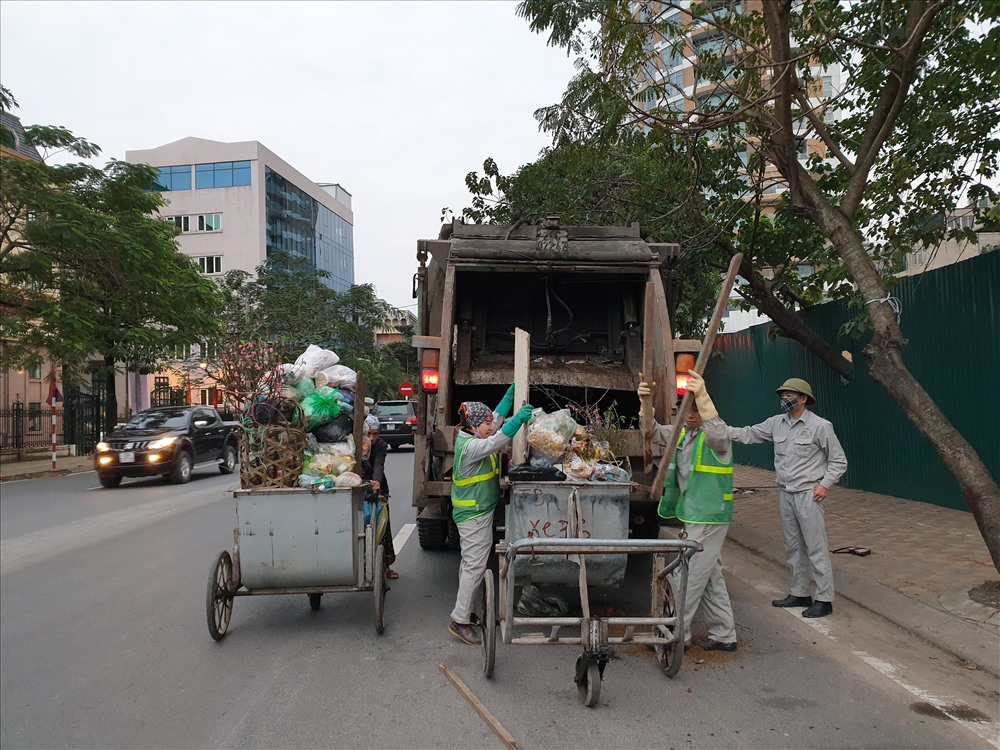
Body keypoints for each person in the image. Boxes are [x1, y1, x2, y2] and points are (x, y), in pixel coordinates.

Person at [727, 378, 847, 619]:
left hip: (809, 494)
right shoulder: (776, 424)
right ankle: (800, 592)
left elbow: (838, 461)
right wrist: (718, 429)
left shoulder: (820, 426)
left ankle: (824, 598)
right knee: (793, 546)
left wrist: (824, 485)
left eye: (790, 396)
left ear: (803, 399)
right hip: (786, 493)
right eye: (782, 396)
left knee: (815, 547)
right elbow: (748, 434)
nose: (785, 400)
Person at [638, 370, 738, 652]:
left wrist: (704, 396)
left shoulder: (716, 436)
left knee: (690, 576)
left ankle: (673, 633)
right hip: (693, 514)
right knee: (710, 576)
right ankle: (724, 634)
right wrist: (645, 405)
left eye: (696, 410)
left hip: (709, 516)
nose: (691, 415)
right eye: (687, 409)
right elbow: (653, 432)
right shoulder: (683, 433)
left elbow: (717, 431)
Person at [448, 385, 534, 645]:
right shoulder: (472, 447)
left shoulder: (473, 434)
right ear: (474, 426)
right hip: (473, 514)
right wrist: (518, 419)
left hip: (475, 511)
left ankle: (464, 612)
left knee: (469, 565)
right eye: (485, 424)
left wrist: (513, 391)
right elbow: (498, 439)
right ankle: (459, 621)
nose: (491, 426)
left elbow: (495, 419)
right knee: (474, 566)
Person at [362, 414, 398, 580]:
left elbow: (379, 465)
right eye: (369, 434)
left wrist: (376, 481)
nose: (372, 438)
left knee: (383, 524)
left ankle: (385, 565)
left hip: (377, 486)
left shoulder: (381, 445)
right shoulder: (355, 443)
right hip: (357, 484)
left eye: (375, 434)